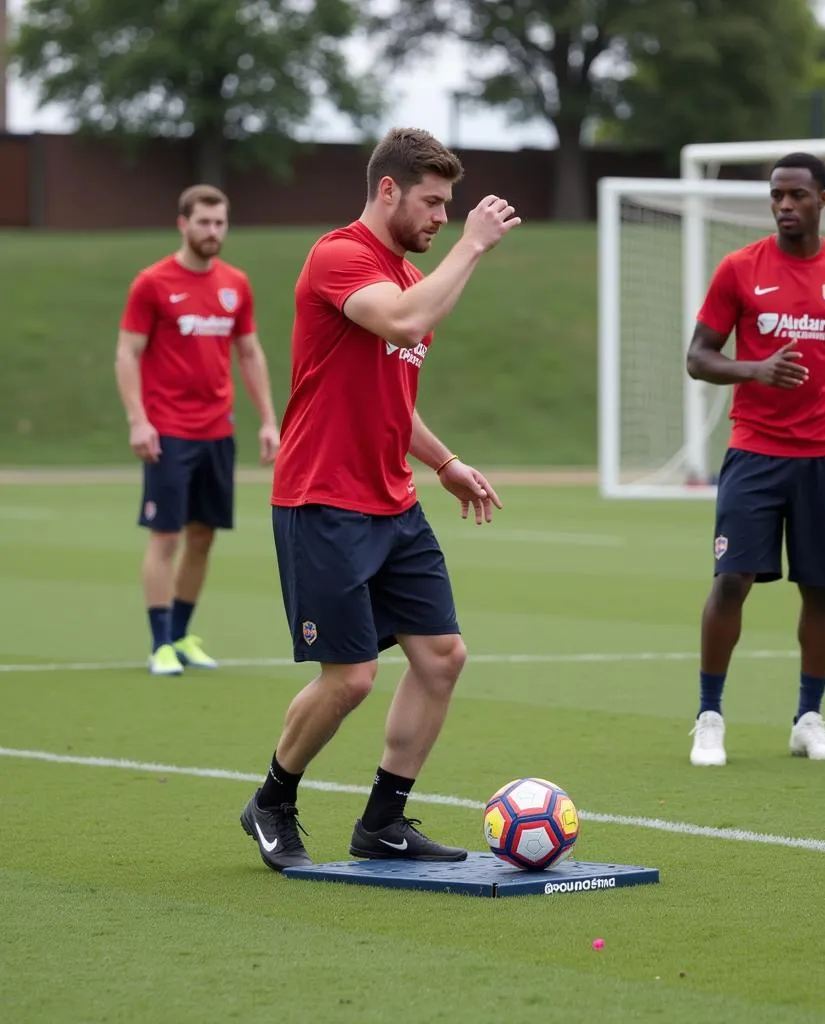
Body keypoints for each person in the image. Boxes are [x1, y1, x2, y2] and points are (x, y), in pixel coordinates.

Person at [239, 128, 521, 872]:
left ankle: (383, 823)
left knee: (442, 657)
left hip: (391, 501)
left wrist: (444, 460)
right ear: (387, 189)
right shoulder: (340, 257)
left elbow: (391, 390)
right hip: (322, 498)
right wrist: (475, 246)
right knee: (352, 676)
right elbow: (405, 322)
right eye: (431, 202)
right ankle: (271, 800)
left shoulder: (401, 274)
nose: (441, 217)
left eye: (449, 206)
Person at [685, 152, 825, 767]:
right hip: (755, 451)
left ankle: (808, 717)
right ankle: (709, 716)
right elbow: (699, 356)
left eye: (798, 196)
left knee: (821, 587)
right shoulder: (739, 269)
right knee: (732, 581)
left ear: (823, 199)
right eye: (777, 195)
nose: (785, 205)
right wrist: (755, 369)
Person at [115, 185, 280, 677]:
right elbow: (128, 352)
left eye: (220, 222)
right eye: (204, 222)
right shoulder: (152, 283)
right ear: (182, 224)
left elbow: (249, 352)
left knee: (203, 536)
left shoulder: (236, 284)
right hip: (168, 431)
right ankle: (159, 643)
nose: (213, 232)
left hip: (217, 431)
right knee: (165, 536)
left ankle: (183, 635)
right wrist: (137, 419)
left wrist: (269, 419)